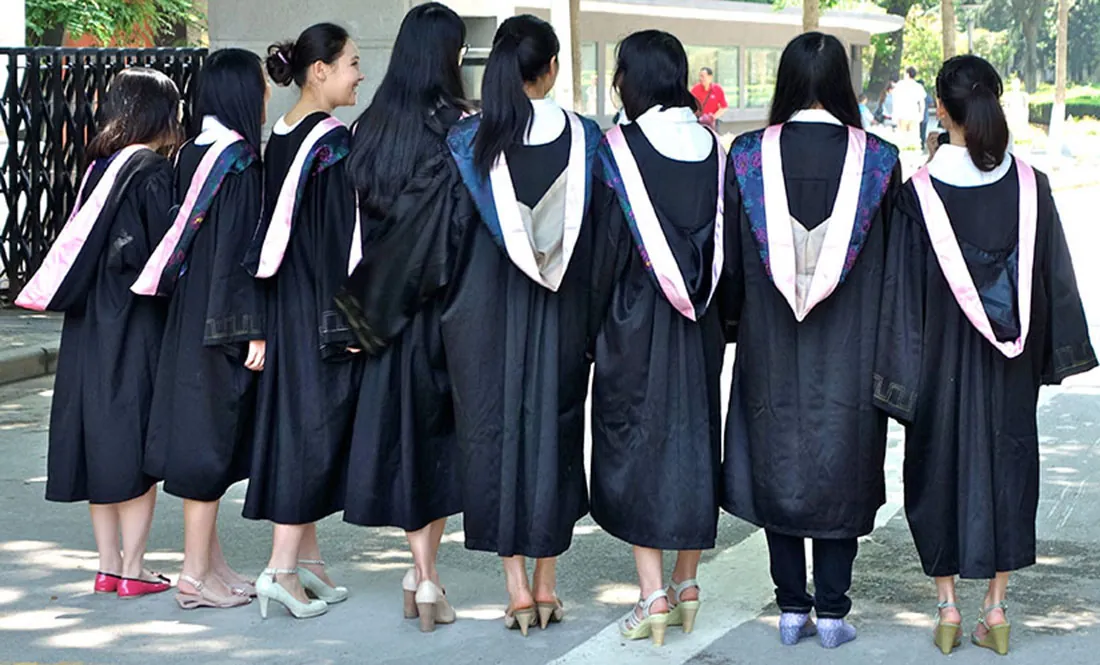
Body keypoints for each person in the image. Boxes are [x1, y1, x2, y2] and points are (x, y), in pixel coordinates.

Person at [336, 14, 603, 637]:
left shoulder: (469, 145)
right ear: (553, 69)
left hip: (482, 322)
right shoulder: (587, 140)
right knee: (556, 435)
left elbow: (426, 241)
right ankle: (547, 585)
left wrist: (363, 313)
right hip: (561, 319)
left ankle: (516, 591)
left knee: (494, 438)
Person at [873, 55, 1096, 656]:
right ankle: (995, 609)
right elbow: (1053, 279)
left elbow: (900, 297)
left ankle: (947, 606)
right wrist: (1049, 354)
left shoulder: (918, 196)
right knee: (1008, 467)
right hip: (1008, 366)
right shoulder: (1031, 186)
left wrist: (897, 380)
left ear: (940, 109)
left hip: (938, 365)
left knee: (936, 470)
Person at [721, 32, 902, 649]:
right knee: (840, 463)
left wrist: (733, 325)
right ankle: (831, 612)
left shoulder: (748, 156)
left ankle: (790, 607)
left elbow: (734, 263)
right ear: (842, 86)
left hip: (770, 345)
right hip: (851, 349)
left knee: (777, 462)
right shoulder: (879, 161)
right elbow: (894, 268)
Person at [14, 68, 181, 599]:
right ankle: (134, 568)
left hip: (89, 323)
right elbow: (161, 258)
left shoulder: (99, 170)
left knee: (99, 436)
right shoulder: (152, 172)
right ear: (158, 113)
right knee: (133, 439)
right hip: (134, 323)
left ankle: (108, 565)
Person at [590, 30, 726, 647]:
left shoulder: (618, 150)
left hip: (634, 320)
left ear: (634, 78)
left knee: (636, 443)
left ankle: (652, 595)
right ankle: (687, 581)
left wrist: (590, 327)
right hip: (700, 323)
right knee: (694, 438)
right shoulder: (714, 148)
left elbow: (605, 249)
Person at [338, 2, 470, 633]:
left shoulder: (369, 125)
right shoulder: (458, 128)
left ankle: (420, 572)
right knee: (434, 442)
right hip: (441, 308)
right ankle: (425, 574)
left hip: (380, 308)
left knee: (404, 441)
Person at [135, 49, 269, 610]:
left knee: (201, 435)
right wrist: (252, 329)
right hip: (221, 320)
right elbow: (238, 256)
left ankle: (213, 565)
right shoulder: (238, 162)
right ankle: (193, 577)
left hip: (189, 314)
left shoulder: (191, 152)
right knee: (209, 444)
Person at [242, 22, 364, 620]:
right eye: (352, 64)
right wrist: (357, 322)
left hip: (285, 303)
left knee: (295, 424)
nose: (359, 75)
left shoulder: (282, 135)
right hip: (320, 306)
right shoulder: (331, 142)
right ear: (321, 70)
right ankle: (282, 570)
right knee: (311, 433)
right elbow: (342, 241)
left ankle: (309, 561)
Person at [893, 67, 926, 148]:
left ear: (907, 74)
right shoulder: (918, 86)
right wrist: (921, 114)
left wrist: (895, 114)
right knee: (912, 137)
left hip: (902, 114)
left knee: (902, 137)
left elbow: (895, 100)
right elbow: (922, 103)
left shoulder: (900, 85)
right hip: (914, 114)